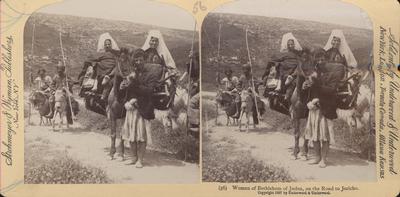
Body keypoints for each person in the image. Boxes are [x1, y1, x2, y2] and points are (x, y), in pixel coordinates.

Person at [303, 51, 345, 168]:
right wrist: (306, 87)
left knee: (324, 135)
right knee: (315, 134)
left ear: (327, 60)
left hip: (326, 108)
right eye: (318, 60)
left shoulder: (332, 74)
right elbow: (311, 91)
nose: (320, 62)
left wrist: (316, 85)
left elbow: (331, 90)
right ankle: (317, 157)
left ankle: (323, 160)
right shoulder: (315, 74)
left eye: (322, 59)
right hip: (314, 108)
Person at [122, 49, 158, 168]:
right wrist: (129, 98)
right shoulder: (133, 73)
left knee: (141, 135)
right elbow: (130, 90)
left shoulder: (151, 74)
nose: (138, 62)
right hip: (132, 108)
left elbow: (149, 91)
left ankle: (140, 160)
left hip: (143, 108)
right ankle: (133, 158)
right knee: (132, 134)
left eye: (140, 60)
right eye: (136, 60)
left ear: (144, 60)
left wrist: (134, 84)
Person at [89, 33, 120, 102]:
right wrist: (94, 63)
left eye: (109, 44)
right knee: (98, 64)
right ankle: (97, 83)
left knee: (115, 69)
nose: (107, 46)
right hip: (103, 68)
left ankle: (107, 77)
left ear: (111, 45)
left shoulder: (115, 53)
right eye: (106, 44)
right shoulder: (102, 53)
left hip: (112, 68)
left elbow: (118, 60)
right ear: (104, 46)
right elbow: (92, 59)